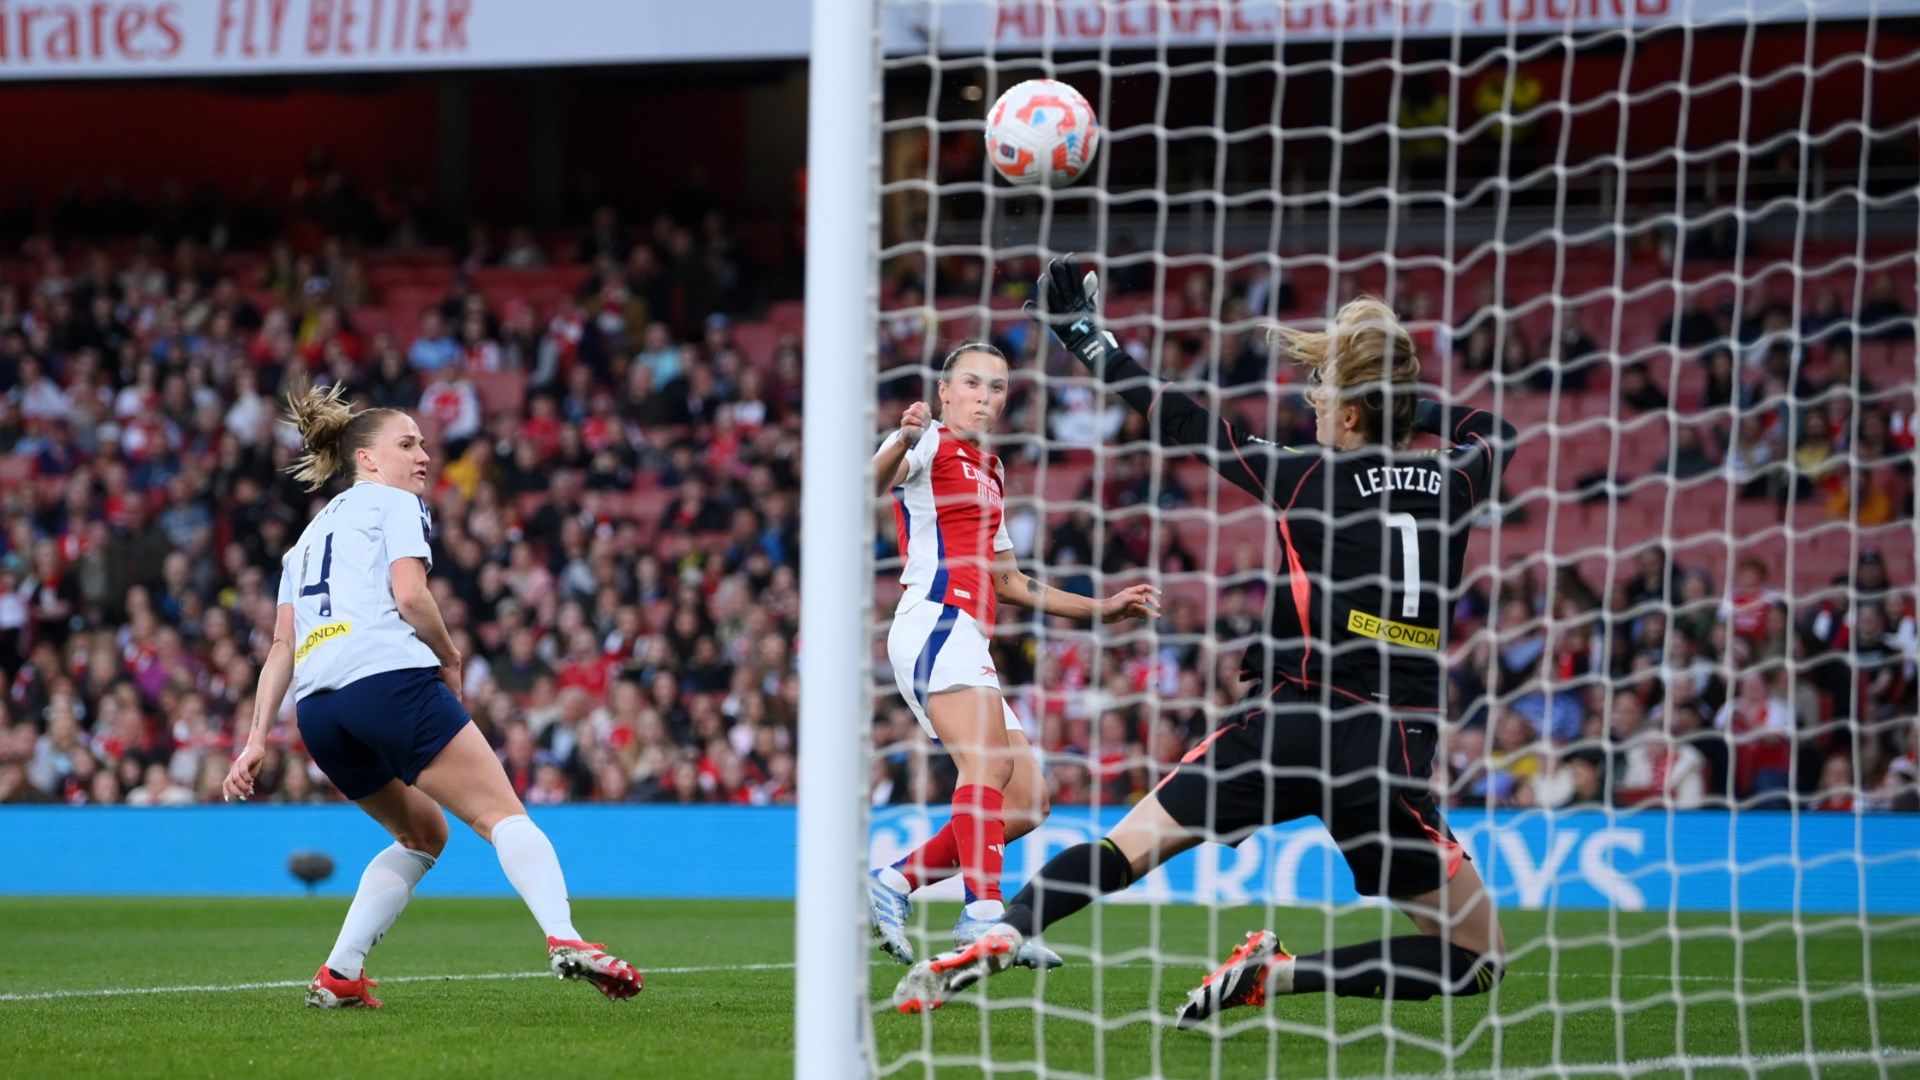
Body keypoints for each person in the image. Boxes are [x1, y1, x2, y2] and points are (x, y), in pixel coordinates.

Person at [894, 258, 1518, 1028]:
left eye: (1326, 388)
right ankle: (1283, 975)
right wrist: (1398, 405)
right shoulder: (1458, 479)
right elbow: (1498, 429)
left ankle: (1006, 928)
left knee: (1126, 850)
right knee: (1476, 959)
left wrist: (1085, 339)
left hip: (1287, 729)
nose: (1313, 399)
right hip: (1388, 753)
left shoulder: (1304, 476)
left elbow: (1182, 417)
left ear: (1352, 415)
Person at [222, 383, 642, 1009]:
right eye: (407, 443)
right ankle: (566, 936)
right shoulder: (393, 504)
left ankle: (340, 973)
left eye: (423, 443)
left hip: (321, 713)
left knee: (424, 833)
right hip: (388, 679)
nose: (423, 455)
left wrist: (256, 739)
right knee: (502, 815)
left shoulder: (304, 542)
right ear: (367, 459)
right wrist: (450, 655)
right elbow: (411, 596)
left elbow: (281, 648)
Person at [866, 341, 1160, 971]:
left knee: (1027, 799)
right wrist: (900, 437)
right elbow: (868, 484)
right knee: (986, 762)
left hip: (971, 633)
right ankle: (983, 914)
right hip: (934, 620)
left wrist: (1101, 608)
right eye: (972, 383)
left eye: (997, 387)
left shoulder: (990, 471)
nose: (985, 396)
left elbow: (1011, 581)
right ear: (946, 392)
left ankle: (893, 882)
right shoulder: (929, 442)